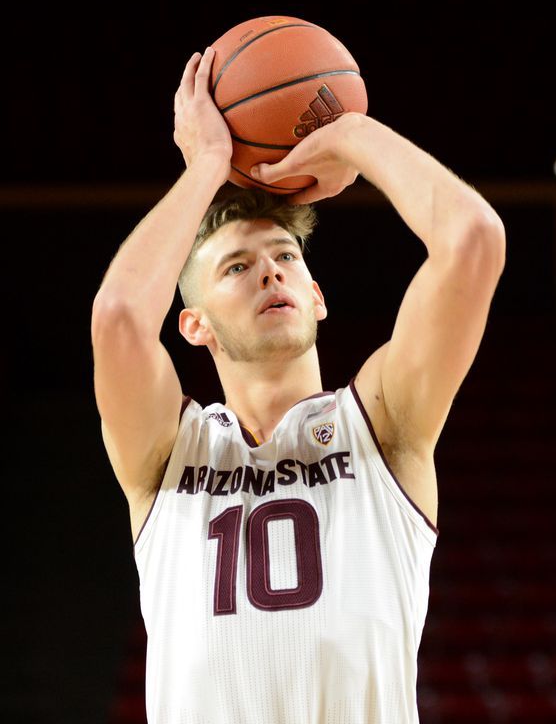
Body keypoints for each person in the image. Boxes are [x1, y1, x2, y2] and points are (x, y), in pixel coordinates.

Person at [91, 45, 506, 723]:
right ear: (194, 326)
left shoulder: (383, 424)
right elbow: (116, 320)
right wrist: (205, 167)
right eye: (235, 267)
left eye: (285, 257)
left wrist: (349, 133)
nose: (270, 272)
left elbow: (475, 240)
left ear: (316, 296)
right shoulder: (168, 454)